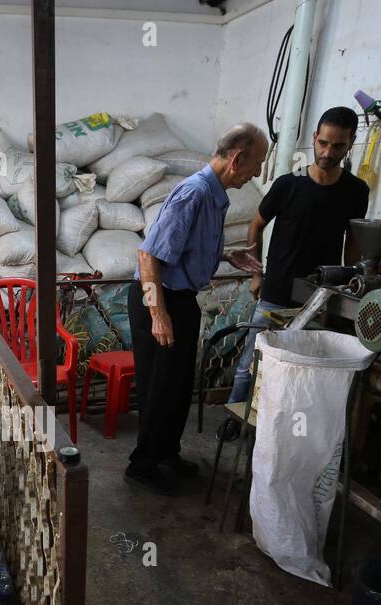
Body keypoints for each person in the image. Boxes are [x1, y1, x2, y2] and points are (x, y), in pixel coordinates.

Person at [127, 123, 267, 496]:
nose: (257, 173)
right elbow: (148, 256)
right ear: (237, 159)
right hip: (157, 297)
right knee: (160, 386)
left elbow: (184, 248)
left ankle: (166, 453)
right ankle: (141, 465)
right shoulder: (193, 192)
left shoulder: (214, 194)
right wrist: (159, 314)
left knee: (178, 384)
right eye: (257, 165)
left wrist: (225, 255)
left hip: (180, 298)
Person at [227, 106, 371, 407]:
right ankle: (236, 415)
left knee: (302, 367)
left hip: (319, 299)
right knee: (250, 363)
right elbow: (256, 225)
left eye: (339, 146)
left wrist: (348, 286)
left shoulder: (356, 191)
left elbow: (353, 241)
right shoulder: (289, 184)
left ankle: (277, 421)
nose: (328, 152)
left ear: (351, 143)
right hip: (276, 291)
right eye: (324, 143)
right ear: (315, 137)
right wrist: (257, 274)